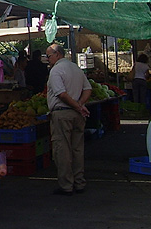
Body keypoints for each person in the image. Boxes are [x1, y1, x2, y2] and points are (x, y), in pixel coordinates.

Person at [46, 44, 91, 195]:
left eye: (49, 56)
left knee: (62, 149)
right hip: (77, 115)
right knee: (77, 149)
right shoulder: (75, 68)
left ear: (57, 54)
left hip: (63, 113)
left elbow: (61, 94)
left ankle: (66, 185)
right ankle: (79, 182)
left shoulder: (56, 71)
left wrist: (78, 106)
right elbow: (88, 88)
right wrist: (80, 104)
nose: (48, 59)